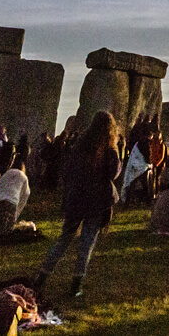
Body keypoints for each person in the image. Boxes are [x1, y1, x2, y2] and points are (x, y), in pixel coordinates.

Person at [36, 111, 122, 298]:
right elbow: (113, 174)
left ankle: (40, 278)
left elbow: (67, 171)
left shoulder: (80, 146)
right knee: (87, 243)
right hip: (96, 201)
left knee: (63, 240)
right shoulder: (109, 149)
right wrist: (117, 151)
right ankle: (76, 285)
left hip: (76, 198)